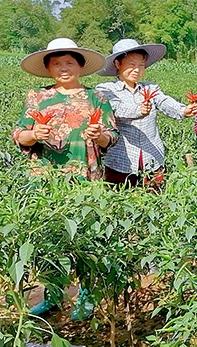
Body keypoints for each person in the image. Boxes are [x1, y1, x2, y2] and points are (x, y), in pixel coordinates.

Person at [12, 38, 119, 321]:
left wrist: (100, 136)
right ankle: (54, 295)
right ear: (47, 68)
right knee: (52, 238)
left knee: (86, 236)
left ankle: (86, 295)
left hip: (87, 176)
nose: (63, 68)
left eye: (69, 62)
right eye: (56, 63)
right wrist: (34, 135)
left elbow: (112, 136)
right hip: (47, 179)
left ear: (81, 67)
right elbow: (19, 135)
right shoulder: (38, 97)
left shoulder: (97, 97)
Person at [96, 39, 197, 188]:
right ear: (118, 64)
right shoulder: (106, 89)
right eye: (131, 65)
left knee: (154, 198)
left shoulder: (150, 88)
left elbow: (163, 101)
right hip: (120, 159)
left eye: (141, 65)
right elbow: (115, 108)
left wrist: (183, 110)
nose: (137, 70)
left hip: (152, 156)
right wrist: (139, 110)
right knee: (120, 201)